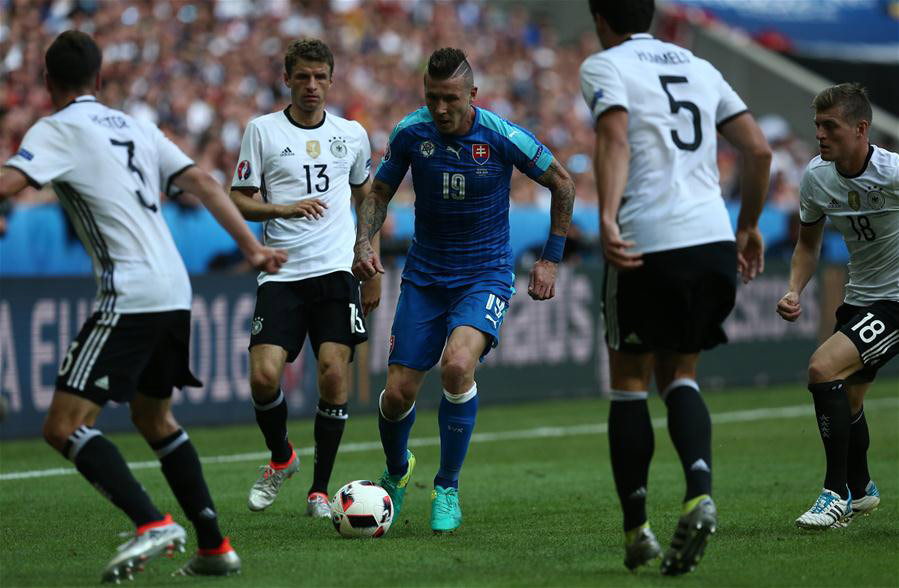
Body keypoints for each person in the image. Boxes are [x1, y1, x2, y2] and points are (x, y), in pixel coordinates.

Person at [0, 31, 287, 581]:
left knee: (62, 427)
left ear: (47, 83)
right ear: (100, 79)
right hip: (174, 288)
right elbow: (202, 180)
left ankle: (152, 523)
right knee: (153, 416)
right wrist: (251, 247)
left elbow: (12, 181)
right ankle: (214, 546)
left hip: (129, 292)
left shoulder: (57, 128)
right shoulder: (134, 124)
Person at [579, 0, 771, 575]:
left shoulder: (606, 64)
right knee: (681, 375)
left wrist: (608, 216)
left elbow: (615, 139)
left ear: (598, 17)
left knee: (630, 384)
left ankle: (638, 529)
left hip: (647, 242)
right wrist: (748, 226)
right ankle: (699, 489)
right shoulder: (699, 66)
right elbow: (758, 150)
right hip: (710, 240)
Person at [353, 47, 576, 534]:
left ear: (472, 94)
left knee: (456, 366)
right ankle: (396, 471)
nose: (440, 108)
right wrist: (362, 242)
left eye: (450, 98)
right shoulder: (411, 132)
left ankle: (447, 487)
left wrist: (550, 259)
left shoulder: (500, 136)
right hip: (425, 277)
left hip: (484, 275)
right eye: (432, 98)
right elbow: (380, 193)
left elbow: (563, 182)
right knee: (396, 394)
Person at [229, 38, 380, 518]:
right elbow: (240, 198)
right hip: (282, 272)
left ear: (331, 80)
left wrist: (369, 257)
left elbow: (366, 198)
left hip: (336, 270)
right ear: (287, 80)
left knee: (334, 376)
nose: (311, 85)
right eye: (303, 77)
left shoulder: (352, 134)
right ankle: (281, 458)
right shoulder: (263, 131)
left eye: (320, 77)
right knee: (263, 377)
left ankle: (320, 490)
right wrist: (281, 207)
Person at [777, 83, 896, 530]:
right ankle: (863, 489)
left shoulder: (893, 172)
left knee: (822, 369)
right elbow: (808, 245)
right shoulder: (816, 177)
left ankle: (837, 493)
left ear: (861, 129)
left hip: (896, 301)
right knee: (847, 398)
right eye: (817, 126)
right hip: (860, 298)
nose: (820, 135)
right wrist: (794, 289)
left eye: (831, 126)